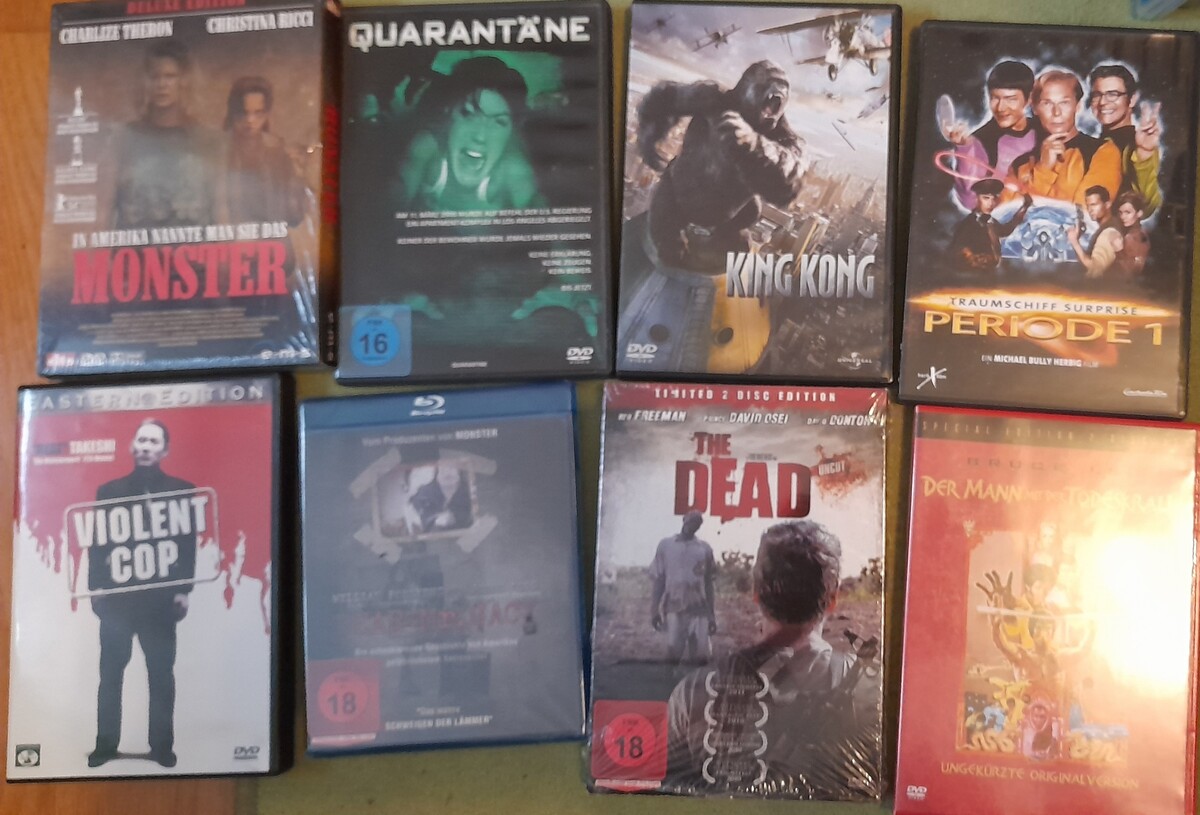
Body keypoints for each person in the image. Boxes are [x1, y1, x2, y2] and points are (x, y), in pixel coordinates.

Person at [665, 521, 880, 794]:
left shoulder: (691, 693)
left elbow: (674, 793)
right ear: (833, 599)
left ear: (756, 593)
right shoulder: (873, 691)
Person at [88, 419, 197, 769]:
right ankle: (105, 746)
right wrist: (96, 587)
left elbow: (186, 544)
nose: (147, 447)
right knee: (110, 675)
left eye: (154, 442)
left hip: (160, 604)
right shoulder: (109, 491)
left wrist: (183, 590)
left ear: (164, 450)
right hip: (117, 602)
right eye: (142, 440)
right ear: (132, 446)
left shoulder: (182, 490)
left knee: (161, 675)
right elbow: (98, 543)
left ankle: (162, 748)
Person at [397, 56, 539, 211]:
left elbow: (540, 210)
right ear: (449, 113)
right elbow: (390, 204)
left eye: (499, 122)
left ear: (510, 131)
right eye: (468, 114)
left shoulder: (514, 170)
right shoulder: (426, 148)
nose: (480, 137)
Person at [111, 41, 218, 228]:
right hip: (137, 243)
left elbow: (219, 208)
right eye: (155, 77)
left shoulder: (206, 138)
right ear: (145, 82)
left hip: (194, 243)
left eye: (170, 76)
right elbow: (106, 208)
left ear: (184, 81)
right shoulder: (124, 137)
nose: (162, 85)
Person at [1006, 70, 1121, 204]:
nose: (1056, 112)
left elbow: (1088, 212)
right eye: (1047, 103)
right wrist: (1043, 169)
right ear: (1035, 108)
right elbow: (1009, 214)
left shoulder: (1102, 151)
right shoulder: (1020, 165)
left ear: (1077, 106)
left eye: (1064, 103)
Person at [945, 60, 1037, 210]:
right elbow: (971, 201)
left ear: (1029, 99)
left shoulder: (1042, 129)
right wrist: (964, 149)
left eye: (1011, 99)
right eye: (995, 98)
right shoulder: (981, 141)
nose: (1001, 107)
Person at [218, 75, 306, 226]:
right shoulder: (218, 152)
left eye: (258, 113)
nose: (250, 120)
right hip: (229, 237)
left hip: (271, 238)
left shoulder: (278, 153)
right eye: (243, 113)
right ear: (233, 113)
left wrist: (298, 177)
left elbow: (294, 218)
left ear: (267, 114)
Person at [1089, 64, 1161, 217]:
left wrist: (1145, 153)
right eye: (1097, 95)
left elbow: (1146, 205)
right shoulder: (1095, 143)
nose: (1102, 102)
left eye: (1113, 94)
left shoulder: (1139, 145)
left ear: (1132, 99)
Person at [649, 511, 717, 664]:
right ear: (684, 519)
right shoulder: (666, 545)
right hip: (674, 606)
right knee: (673, 651)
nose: (692, 525)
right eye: (690, 521)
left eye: (697, 523)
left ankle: (695, 679)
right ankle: (668, 679)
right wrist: (654, 610)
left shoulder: (704, 549)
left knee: (700, 655)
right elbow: (659, 580)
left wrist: (711, 615)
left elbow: (708, 584)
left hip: (699, 608)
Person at [948, 178, 1031, 269]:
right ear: (977, 199)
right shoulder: (968, 224)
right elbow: (958, 249)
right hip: (975, 271)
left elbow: (1005, 230)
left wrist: (1025, 206)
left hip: (991, 270)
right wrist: (974, 259)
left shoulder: (990, 221)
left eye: (994, 198)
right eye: (986, 198)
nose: (991, 203)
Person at [1066, 185, 1122, 277]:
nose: (1090, 210)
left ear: (1107, 204)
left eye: (1094, 205)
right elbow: (1086, 263)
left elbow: (1095, 267)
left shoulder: (1109, 231)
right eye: (1088, 206)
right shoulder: (1105, 228)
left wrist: (1075, 242)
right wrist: (1077, 239)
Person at [409, 464, 472, 532]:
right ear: (437, 471)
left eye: (451, 468)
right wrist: (436, 520)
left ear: (459, 471)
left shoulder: (470, 491)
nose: (447, 473)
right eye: (443, 469)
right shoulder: (423, 493)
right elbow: (419, 519)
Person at [1113, 191, 1150, 277]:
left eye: (1127, 212)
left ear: (1139, 213)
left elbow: (1131, 272)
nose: (1122, 217)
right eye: (1120, 212)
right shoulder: (1140, 233)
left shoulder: (1132, 237)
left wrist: (1119, 251)